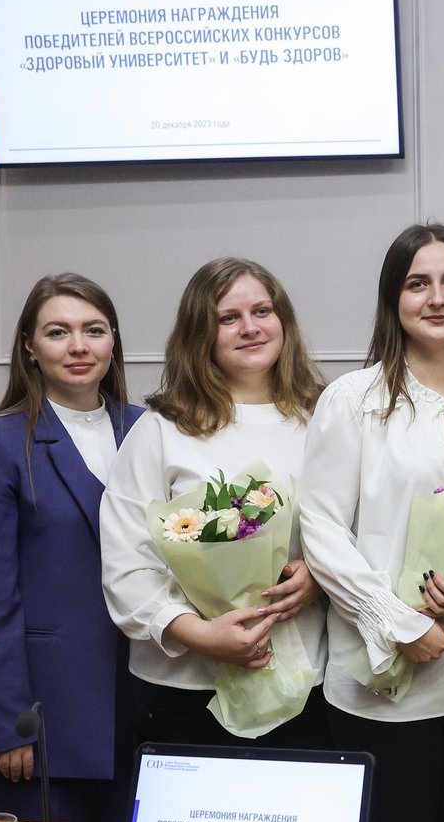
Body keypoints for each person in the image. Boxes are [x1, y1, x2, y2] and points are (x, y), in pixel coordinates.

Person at [301, 223, 444, 822]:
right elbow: (320, 528)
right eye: (416, 283)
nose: (436, 298)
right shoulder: (351, 399)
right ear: (392, 299)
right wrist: (400, 623)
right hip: (380, 679)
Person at [100, 257, 327, 748]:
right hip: (183, 684)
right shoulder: (160, 429)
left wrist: (320, 576)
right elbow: (125, 562)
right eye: (229, 318)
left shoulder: (323, 418)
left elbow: (353, 529)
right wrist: (196, 634)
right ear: (200, 332)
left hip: (302, 674)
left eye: (262, 311)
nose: (250, 328)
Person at [0, 274, 142, 822]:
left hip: (145, 707)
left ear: (113, 343)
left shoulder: (148, 429)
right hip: (45, 717)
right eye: (58, 332)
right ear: (29, 347)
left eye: (94, 330)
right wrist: (10, 724)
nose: (79, 346)